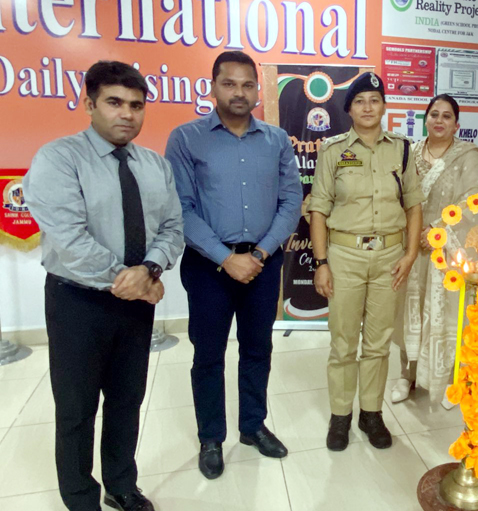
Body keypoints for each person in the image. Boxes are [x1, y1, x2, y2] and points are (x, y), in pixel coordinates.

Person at [23, 60, 184, 511]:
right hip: (78, 302)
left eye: (136, 105)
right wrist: (136, 280)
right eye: (114, 102)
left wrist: (150, 269)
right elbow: (70, 241)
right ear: (89, 104)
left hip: (136, 304)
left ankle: (121, 485)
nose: (127, 114)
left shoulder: (154, 165)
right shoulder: (59, 158)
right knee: (76, 410)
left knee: (127, 400)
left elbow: (173, 227)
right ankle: (80, 499)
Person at [165, 51, 302, 480]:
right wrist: (227, 258)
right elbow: (181, 208)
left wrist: (259, 255)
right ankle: (211, 437)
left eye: (247, 85)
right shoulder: (186, 139)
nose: (239, 92)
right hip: (209, 265)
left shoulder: (276, 139)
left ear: (257, 90)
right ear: (212, 87)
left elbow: (291, 200)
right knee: (208, 355)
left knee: (258, 348)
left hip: (262, 263)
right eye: (230, 83)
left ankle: (252, 426)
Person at [309, 72, 424, 452]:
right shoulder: (332, 151)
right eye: (360, 101)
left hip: (390, 257)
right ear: (349, 110)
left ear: (384, 106)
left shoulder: (403, 149)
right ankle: (340, 415)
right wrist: (321, 262)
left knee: (378, 343)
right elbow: (319, 210)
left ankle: (370, 413)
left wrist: (409, 254)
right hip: (344, 256)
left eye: (375, 99)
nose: (368, 107)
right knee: (343, 342)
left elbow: (413, 204)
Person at [390, 94, 478, 408]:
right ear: (426, 119)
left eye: (446, 116)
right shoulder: (409, 154)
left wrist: (438, 231)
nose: (439, 121)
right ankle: (406, 374)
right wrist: (415, 234)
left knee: (452, 316)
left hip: (449, 253)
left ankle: (453, 380)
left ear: (457, 124)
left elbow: (474, 205)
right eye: (434, 115)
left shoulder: (469, 157)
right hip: (411, 248)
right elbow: (394, 198)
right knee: (408, 313)